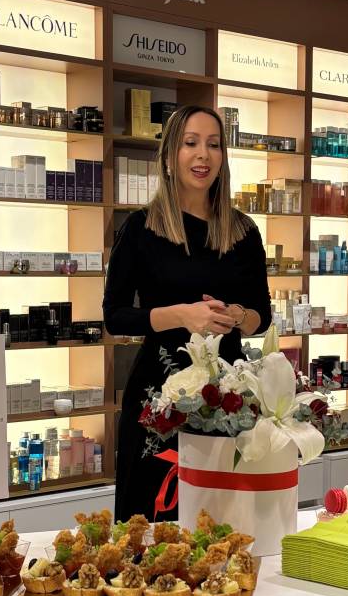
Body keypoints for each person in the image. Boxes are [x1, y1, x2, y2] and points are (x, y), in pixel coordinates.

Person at [103, 104, 271, 520]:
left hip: (226, 399)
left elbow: (261, 317)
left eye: (213, 145)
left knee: (221, 525)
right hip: (158, 398)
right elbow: (115, 316)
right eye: (190, 143)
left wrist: (236, 315)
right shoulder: (141, 228)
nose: (203, 155)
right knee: (149, 525)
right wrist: (181, 315)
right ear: (169, 156)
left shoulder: (243, 231)